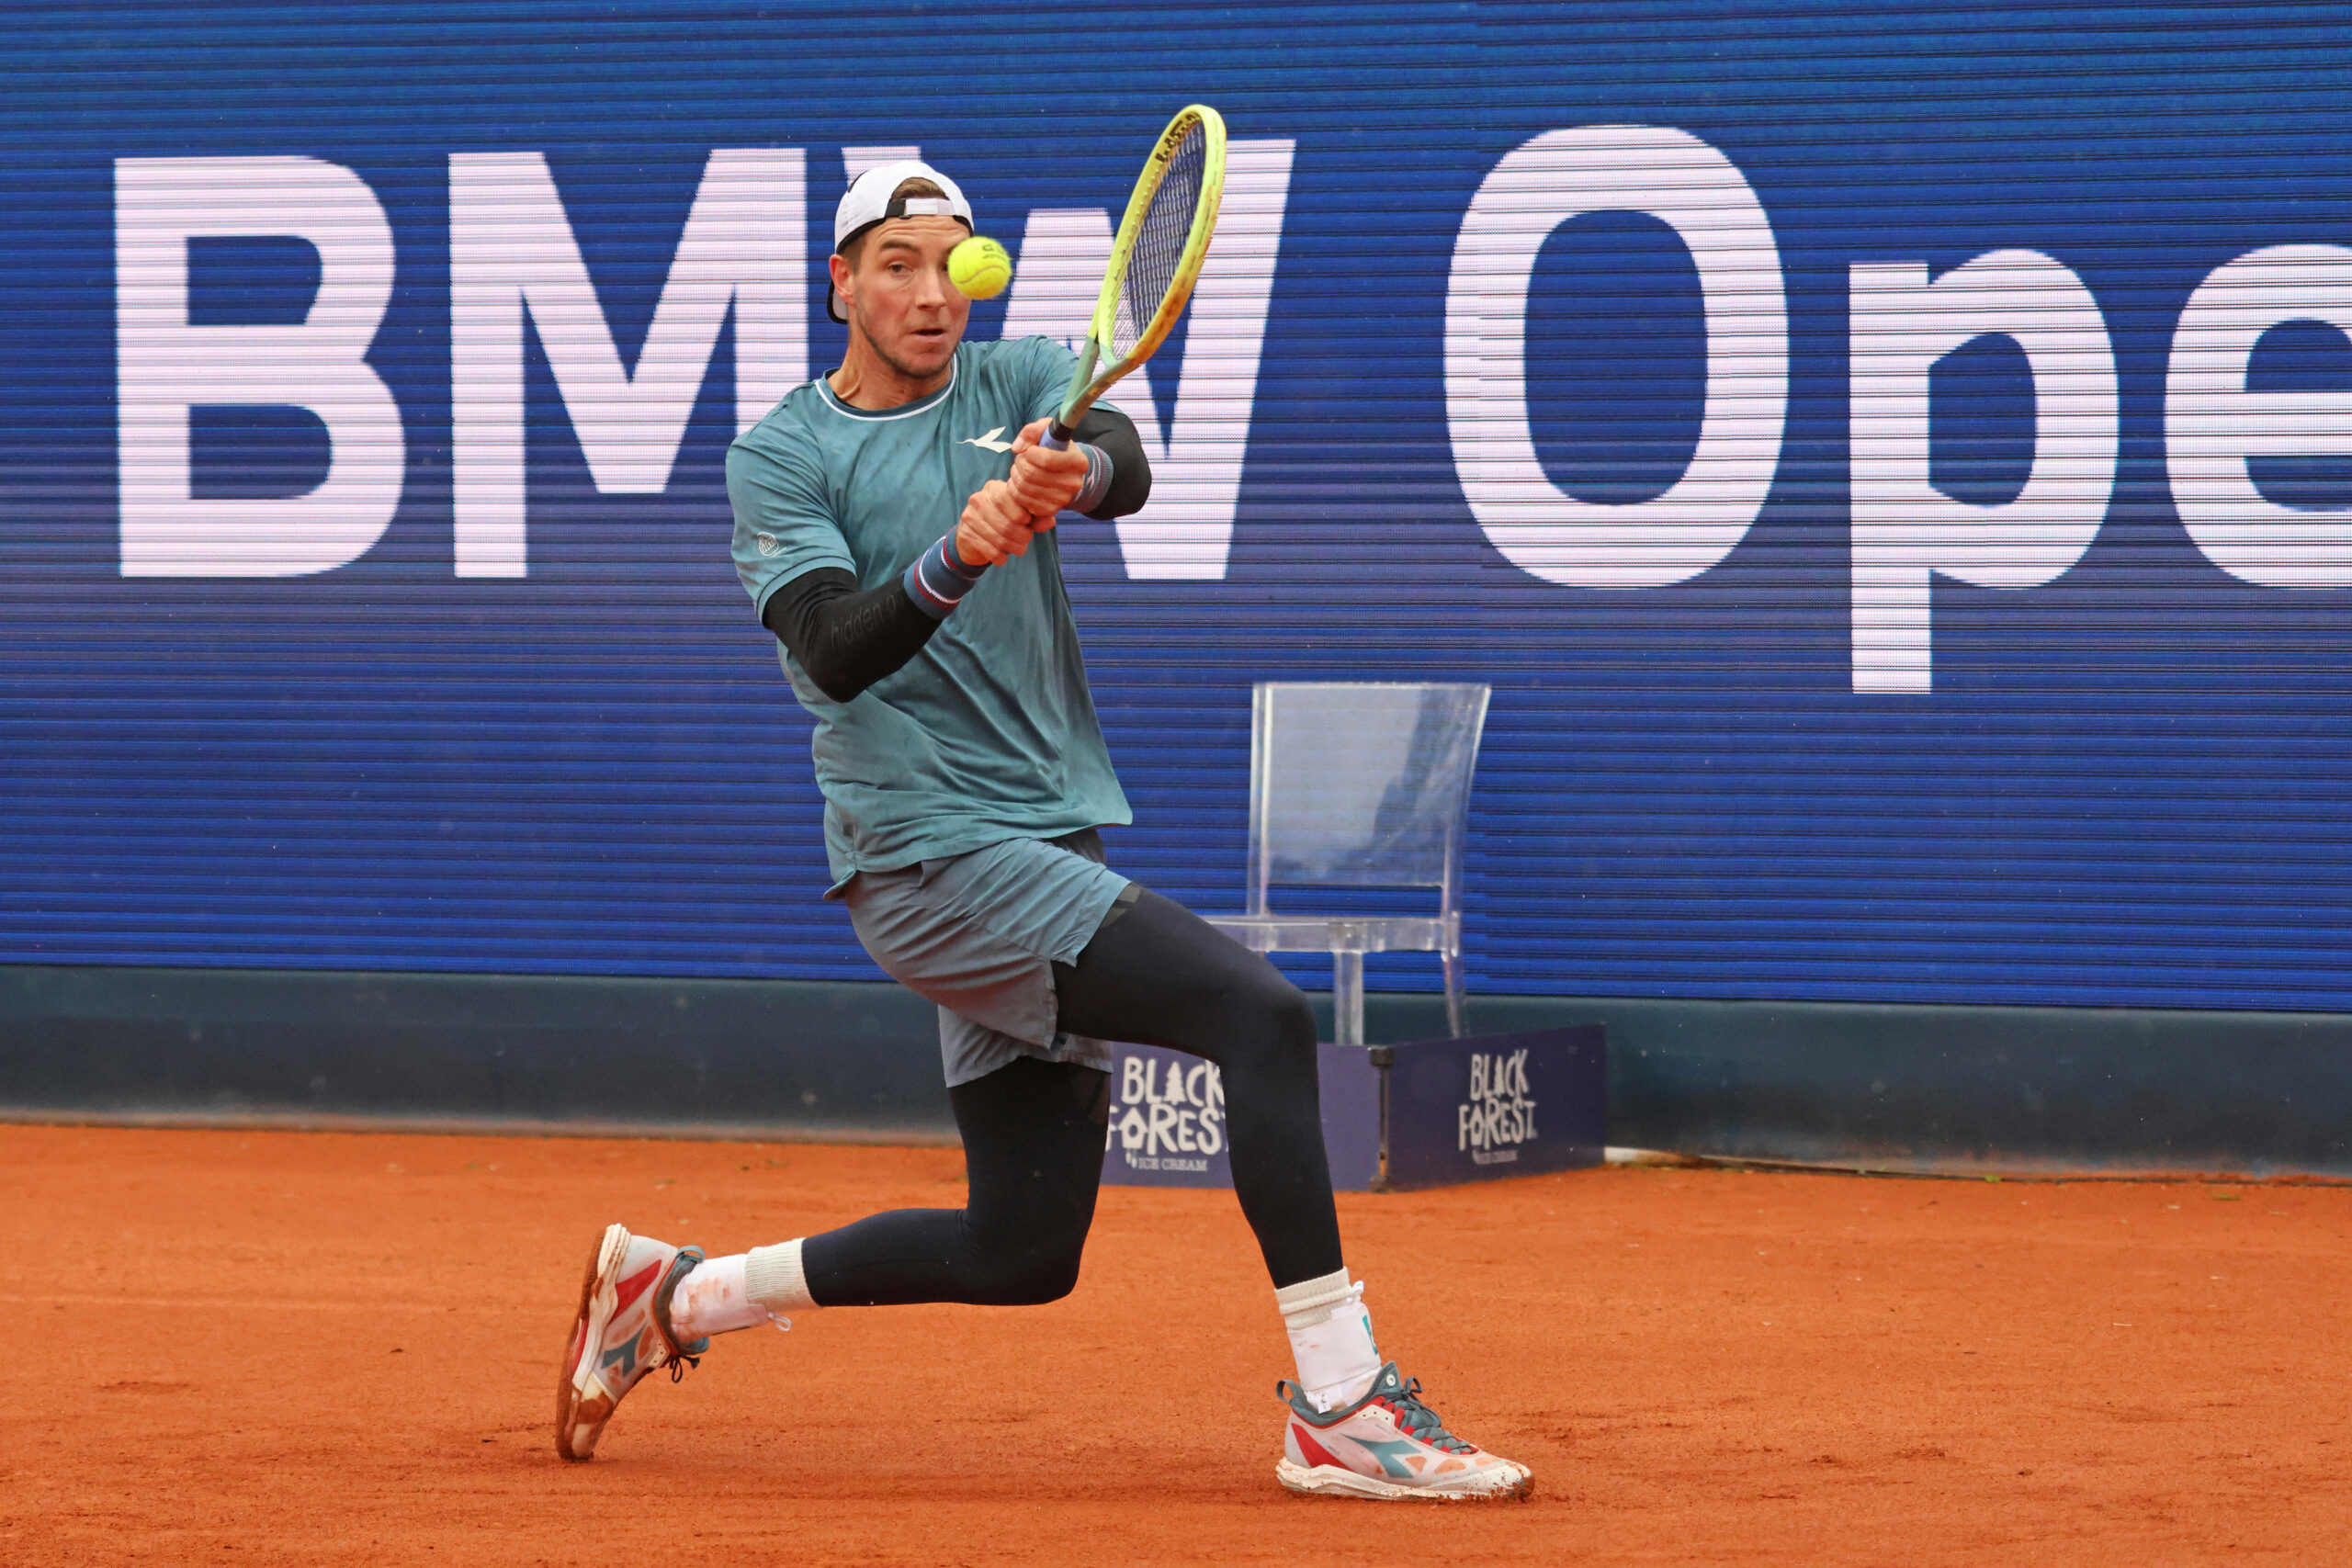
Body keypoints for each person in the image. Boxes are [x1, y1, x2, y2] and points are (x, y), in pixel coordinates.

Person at [554, 158, 1530, 1503]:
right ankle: (1343, 1403)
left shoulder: (1017, 383)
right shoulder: (782, 452)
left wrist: (1073, 473)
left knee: (1021, 1251)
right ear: (839, 283)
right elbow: (835, 651)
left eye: (947, 261)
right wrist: (955, 554)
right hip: (923, 855)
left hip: (1042, 843)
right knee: (1259, 1015)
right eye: (894, 261)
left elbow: (1122, 459)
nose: (927, 289)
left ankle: (673, 1295)